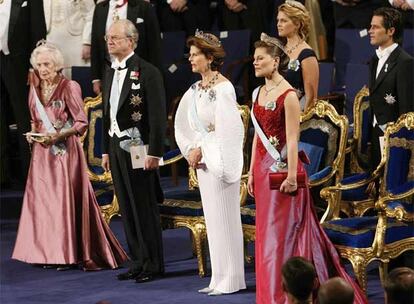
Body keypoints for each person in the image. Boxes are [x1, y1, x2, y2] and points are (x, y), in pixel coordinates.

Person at [248, 32, 368, 304]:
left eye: (260, 58)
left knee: (283, 235)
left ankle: (287, 294)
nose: (255, 63)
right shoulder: (257, 92)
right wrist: (251, 173)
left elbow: (293, 138)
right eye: (254, 59)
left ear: (276, 61)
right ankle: (268, 292)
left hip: (284, 173)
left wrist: (292, 175)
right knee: (267, 235)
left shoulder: (289, 95)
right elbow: (256, 135)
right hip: (262, 170)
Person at [11, 41, 128, 270]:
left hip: (64, 154)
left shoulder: (69, 86)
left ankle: (68, 253)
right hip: (41, 155)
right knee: (44, 204)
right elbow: (35, 120)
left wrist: (57, 136)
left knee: (62, 202)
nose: (43, 69)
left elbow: (81, 123)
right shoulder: (34, 89)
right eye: (39, 65)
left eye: (47, 64)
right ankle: (47, 253)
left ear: (57, 65)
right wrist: (32, 134)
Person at [174, 31, 246, 296]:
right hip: (204, 162)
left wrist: (202, 149)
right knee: (213, 221)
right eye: (190, 55)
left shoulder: (224, 89)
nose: (190, 60)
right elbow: (185, 123)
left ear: (209, 57)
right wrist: (192, 148)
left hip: (218, 161)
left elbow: (228, 131)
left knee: (225, 220)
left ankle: (232, 279)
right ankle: (218, 277)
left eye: (195, 55)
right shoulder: (195, 89)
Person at [101, 19, 166, 283]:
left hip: (139, 147)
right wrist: (105, 150)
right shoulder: (109, 71)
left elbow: (159, 116)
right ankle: (138, 260)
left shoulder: (148, 72)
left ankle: (153, 263)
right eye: (108, 37)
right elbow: (107, 114)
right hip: (116, 145)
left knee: (143, 203)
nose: (110, 41)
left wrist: (155, 153)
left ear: (131, 40)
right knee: (126, 204)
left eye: (115, 37)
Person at [0, 0, 46, 183]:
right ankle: (2, 175)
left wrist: (33, 67)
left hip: (18, 64)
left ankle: (31, 172)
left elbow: (38, 30)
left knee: (23, 118)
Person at [368, 7, 414, 169]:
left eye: (376, 27)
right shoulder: (374, 59)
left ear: (391, 31)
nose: (370, 31)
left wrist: (400, 141)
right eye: (370, 27)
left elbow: (406, 110)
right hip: (376, 132)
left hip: (395, 137)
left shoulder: (404, 62)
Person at [91, 0, 162, 96]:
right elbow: (95, 44)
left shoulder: (144, 7)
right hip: (108, 73)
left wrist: (154, 78)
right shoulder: (100, 8)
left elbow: (155, 45)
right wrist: (96, 78)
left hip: (138, 72)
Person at [277, 0, 319, 111]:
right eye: (278, 20)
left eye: (284, 21)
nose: (279, 24)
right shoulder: (279, 50)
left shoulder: (307, 54)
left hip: (296, 114)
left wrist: (300, 121)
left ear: (297, 24)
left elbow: (311, 98)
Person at [43, 0, 95, 79]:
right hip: (51, 41)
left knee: (79, 81)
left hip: (77, 41)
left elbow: (91, 15)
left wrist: (87, 42)